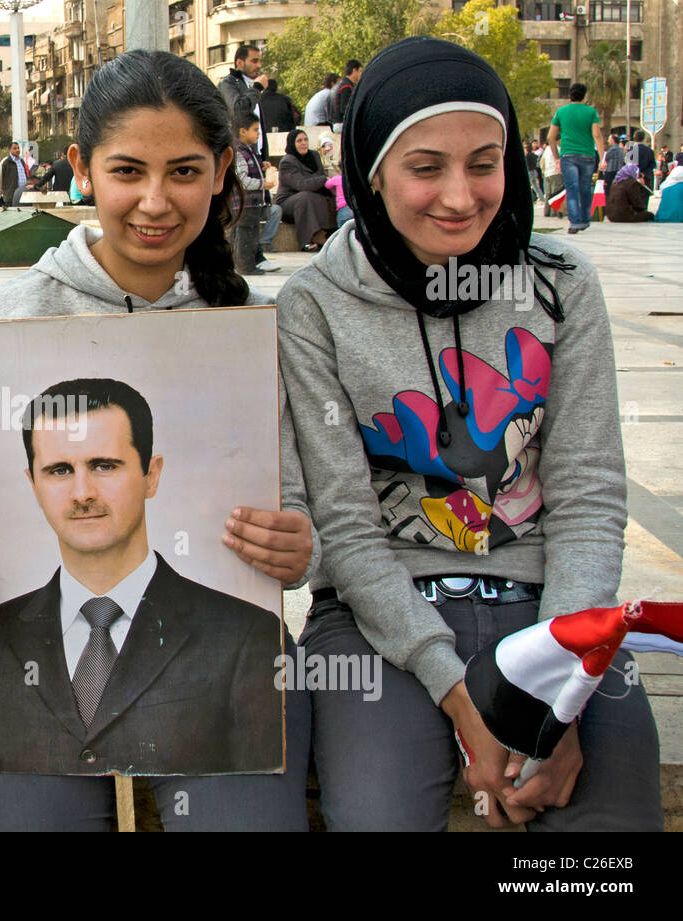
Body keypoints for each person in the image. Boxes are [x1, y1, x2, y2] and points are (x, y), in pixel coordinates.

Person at [0, 49, 315, 832]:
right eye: (128, 170)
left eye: (186, 172)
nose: (156, 201)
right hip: (23, 677)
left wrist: (300, 548)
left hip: (228, 675)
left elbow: (298, 505)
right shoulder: (12, 317)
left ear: (224, 167)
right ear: (81, 167)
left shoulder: (258, 326)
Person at [277, 36, 662, 832]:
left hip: (553, 611)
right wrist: (463, 696)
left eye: (484, 163)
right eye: (425, 167)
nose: (459, 196)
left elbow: (590, 498)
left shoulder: (560, 286)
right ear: (371, 170)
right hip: (377, 619)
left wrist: (559, 691)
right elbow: (345, 527)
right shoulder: (313, 307)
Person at [0, 378, 286, 776]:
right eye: (59, 470)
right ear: (33, 485)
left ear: (151, 474)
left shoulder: (246, 635)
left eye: (104, 466)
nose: (82, 493)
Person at [229, 104, 281, 275]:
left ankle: (240, 264)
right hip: (246, 202)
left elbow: (248, 169)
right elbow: (242, 180)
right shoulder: (239, 151)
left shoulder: (248, 150)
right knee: (247, 235)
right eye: (255, 130)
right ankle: (246, 266)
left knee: (245, 233)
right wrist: (262, 184)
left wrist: (262, 165)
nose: (258, 133)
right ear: (243, 131)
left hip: (250, 203)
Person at [549, 82, 605, 233]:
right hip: (587, 154)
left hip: (568, 155)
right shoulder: (591, 112)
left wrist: (556, 157)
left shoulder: (561, 112)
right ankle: (585, 220)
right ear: (584, 95)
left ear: (569, 95)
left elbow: (550, 137)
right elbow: (597, 135)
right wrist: (602, 157)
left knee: (572, 189)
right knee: (586, 188)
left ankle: (574, 222)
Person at [276, 129, 335, 252]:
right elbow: (301, 184)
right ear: (292, 143)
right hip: (289, 203)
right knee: (305, 197)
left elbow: (319, 176)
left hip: (311, 195)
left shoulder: (314, 155)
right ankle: (308, 239)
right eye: (299, 141)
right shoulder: (287, 161)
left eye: (305, 139)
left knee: (331, 197)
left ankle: (327, 233)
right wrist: (323, 179)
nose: (303, 143)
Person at [218, 44, 266, 116]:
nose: (259, 66)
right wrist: (257, 88)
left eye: (260, 61)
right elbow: (238, 111)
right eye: (254, 61)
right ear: (239, 63)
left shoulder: (252, 85)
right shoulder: (227, 83)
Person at [328, 59, 362, 130]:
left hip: (334, 124)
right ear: (354, 70)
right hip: (341, 125)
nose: (361, 74)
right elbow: (345, 109)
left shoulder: (337, 86)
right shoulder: (347, 87)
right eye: (360, 71)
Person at [540, 134, 565, 217]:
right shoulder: (558, 149)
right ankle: (554, 212)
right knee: (556, 193)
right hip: (555, 173)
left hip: (547, 173)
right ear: (558, 140)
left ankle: (547, 212)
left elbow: (542, 161)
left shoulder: (547, 149)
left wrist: (543, 171)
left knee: (548, 193)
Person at [0, 141, 29, 206]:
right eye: (14, 148)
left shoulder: (22, 161)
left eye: (18, 148)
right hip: (11, 196)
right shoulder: (5, 162)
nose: (17, 150)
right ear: (9, 150)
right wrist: (3, 190)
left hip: (23, 195)